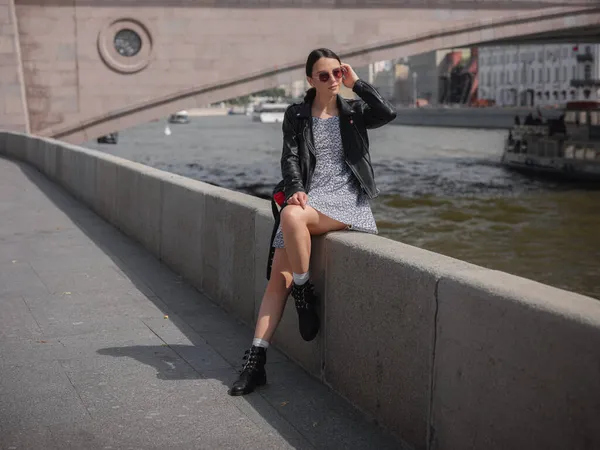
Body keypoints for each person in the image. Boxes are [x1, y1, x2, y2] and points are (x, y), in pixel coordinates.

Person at [228, 48, 397, 396]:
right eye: (325, 75)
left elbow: (387, 112)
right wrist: (295, 188)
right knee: (277, 281)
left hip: (346, 200)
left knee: (291, 216)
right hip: (309, 200)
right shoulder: (297, 115)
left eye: (337, 73)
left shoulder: (354, 112)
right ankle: (255, 361)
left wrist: (358, 83)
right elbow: (290, 157)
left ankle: (303, 292)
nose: (333, 80)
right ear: (310, 80)